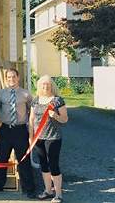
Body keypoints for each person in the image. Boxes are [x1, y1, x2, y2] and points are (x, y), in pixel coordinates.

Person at [0, 68, 36, 198]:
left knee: (23, 159)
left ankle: (29, 188)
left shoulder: (26, 94)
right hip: (5, 130)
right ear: (6, 79)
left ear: (18, 77)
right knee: (2, 158)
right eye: (8, 77)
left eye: (13, 76)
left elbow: (31, 111)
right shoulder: (0, 93)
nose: (11, 79)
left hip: (20, 130)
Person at [30, 75, 68, 203]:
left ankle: (58, 194)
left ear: (52, 86)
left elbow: (65, 119)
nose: (45, 86)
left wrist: (55, 115)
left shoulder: (57, 100)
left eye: (48, 84)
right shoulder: (35, 101)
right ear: (39, 86)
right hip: (38, 138)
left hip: (53, 138)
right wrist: (31, 138)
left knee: (53, 164)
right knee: (43, 165)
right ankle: (48, 190)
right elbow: (31, 120)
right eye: (43, 84)